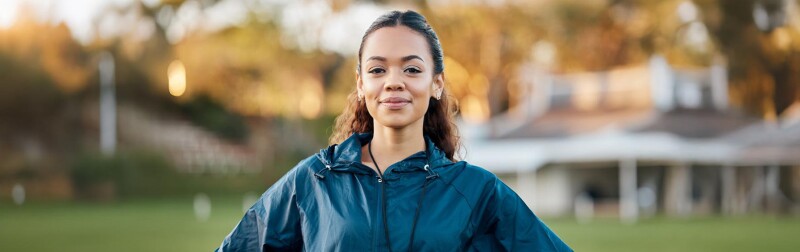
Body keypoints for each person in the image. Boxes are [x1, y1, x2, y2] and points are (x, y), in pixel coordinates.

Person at [216, 10, 572, 252]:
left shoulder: (475, 191)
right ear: (360, 84)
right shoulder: (314, 180)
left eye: (412, 70)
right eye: (377, 70)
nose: (394, 83)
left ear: (436, 83)